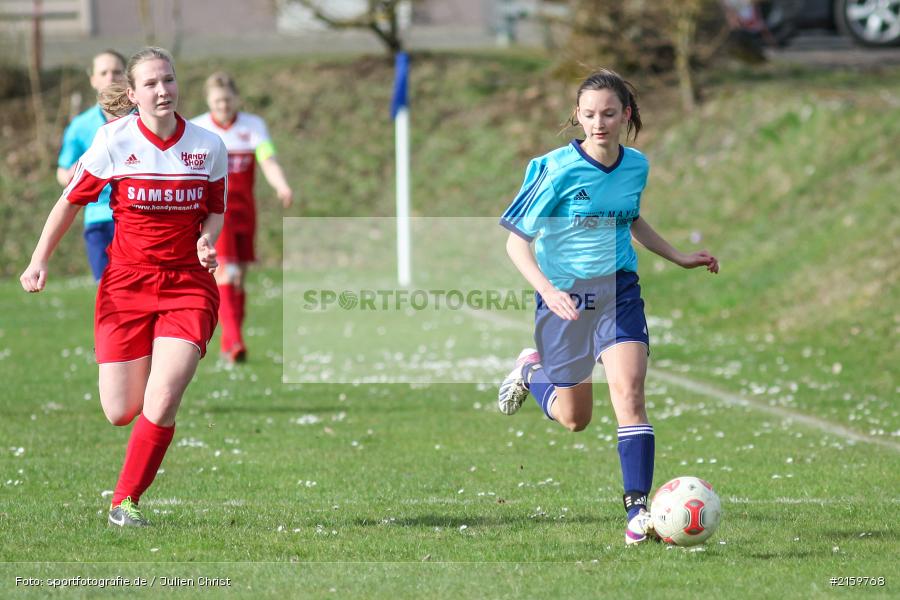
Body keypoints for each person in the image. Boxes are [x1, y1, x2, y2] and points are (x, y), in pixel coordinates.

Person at [496, 68, 719, 545]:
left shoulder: (636, 165)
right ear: (577, 116)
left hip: (619, 291)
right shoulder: (553, 169)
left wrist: (678, 256)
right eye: (590, 114)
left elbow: (631, 217)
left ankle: (638, 513)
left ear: (626, 115)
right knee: (576, 418)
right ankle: (531, 370)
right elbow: (517, 243)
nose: (599, 123)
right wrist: (549, 291)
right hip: (565, 300)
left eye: (609, 114)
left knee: (630, 393)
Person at [20, 47, 228, 527]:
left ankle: (125, 501)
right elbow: (69, 201)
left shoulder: (208, 145)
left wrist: (207, 241)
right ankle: (149, 373)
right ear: (133, 94)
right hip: (125, 286)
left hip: (187, 287)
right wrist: (38, 260)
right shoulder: (112, 141)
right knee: (120, 410)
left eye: (169, 81)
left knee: (163, 396)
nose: (163, 90)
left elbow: (216, 206)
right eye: (151, 84)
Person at [191, 73, 293, 363]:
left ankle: (229, 340)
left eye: (227, 99)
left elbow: (267, 159)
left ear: (237, 99)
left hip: (245, 213)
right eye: (217, 101)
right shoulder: (198, 128)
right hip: (215, 214)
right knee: (227, 273)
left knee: (239, 279)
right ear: (209, 102)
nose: (223, 105)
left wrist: (281, 185)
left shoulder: (253, 126)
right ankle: (235, 341)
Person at [57, 50, 127, 281]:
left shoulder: (145, 120)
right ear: (93, 79)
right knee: (107, 289)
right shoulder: (81, 126)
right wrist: (75, 173)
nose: (111, 78)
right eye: (104, 72)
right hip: (98, 217)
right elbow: (63, 171)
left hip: (136, 216)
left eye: (117, 71)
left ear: (127, 77)